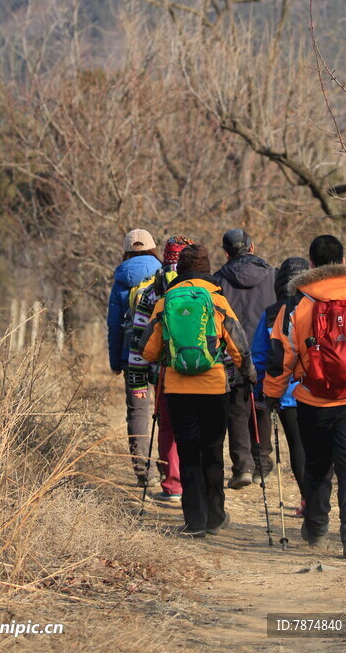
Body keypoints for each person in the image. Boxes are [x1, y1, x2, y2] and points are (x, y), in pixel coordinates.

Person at [264, 251, 346, 558]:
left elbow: (281, 357)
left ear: (312, 266)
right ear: (342, 260)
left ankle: (316, 530)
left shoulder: (296, 305)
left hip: (311, 399)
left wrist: (273, 394)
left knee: (317, 465)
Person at [140, 244, 257, 538]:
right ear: (207, 269)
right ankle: (216, 516)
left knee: (189, 452)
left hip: (177, 390)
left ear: (179, 270)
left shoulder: (165, 301)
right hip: (214, 387)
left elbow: (147, 351)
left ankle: (195, 522)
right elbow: (238, 345)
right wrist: (248, 373)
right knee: (213, 452)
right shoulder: (217, 300)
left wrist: (170, 354)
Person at [127, 236, 194, 504]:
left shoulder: (152, 291)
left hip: (163, 372)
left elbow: (138, 340)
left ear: (165, 258)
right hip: (200, 371)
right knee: (193, 426)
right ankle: (195, 483)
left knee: (167, 426)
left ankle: (173, 484)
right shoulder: (204, 288)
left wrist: (137, 381)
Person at [212, 229, 276, 488]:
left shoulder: (217, 281)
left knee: (237, 409)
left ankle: (242, 467)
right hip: (266, 351)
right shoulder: (273, 276)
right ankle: (262, 464)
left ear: (226, 252)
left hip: (231, 353)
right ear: (252, 246)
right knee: (261, 405)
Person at [251, 257, 310, 505]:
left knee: (298, 448)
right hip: (318, 390)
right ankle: (319, 501)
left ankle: (309, 501)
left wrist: (259, 392)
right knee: (318, 450)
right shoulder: (318, 307)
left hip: (287, 393)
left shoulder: (271, 313)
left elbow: (260, 356)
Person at [107, 229, 162, 486]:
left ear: (127, 251)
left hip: (133, 354)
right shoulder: (165, 275)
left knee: (138, 411)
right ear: (153, 248)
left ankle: (144, 472)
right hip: (162, 352)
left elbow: (115, 325)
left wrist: (116, 362)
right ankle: (170, 470)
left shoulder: (121, 279)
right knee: (167, 411)